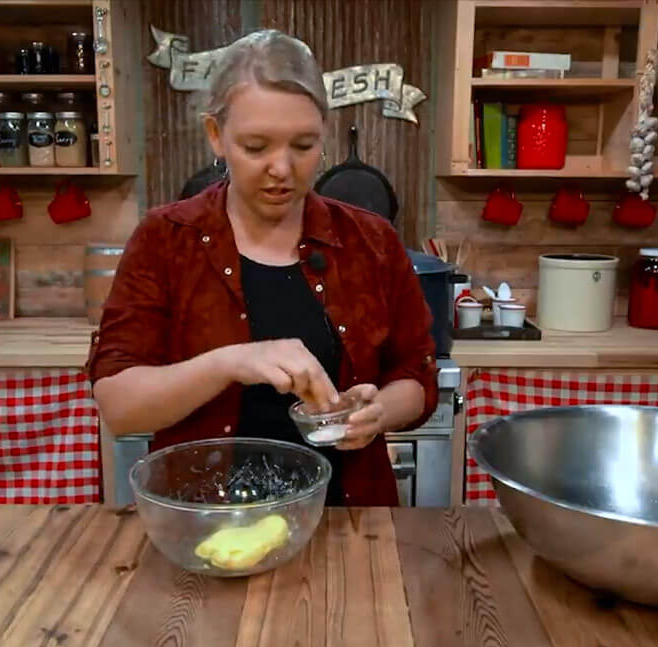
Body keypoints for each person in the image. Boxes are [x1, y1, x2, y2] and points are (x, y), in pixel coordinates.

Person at [86, 29, 437, 507]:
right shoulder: (166, 240)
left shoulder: (370, 242)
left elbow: (418, 374)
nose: (282, 168)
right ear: (216, 136)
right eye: (256, 147)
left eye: (303, 145)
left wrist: (379, 411)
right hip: (203, 525)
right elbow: (119, 406)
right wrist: (232, 362)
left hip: (348, 527)